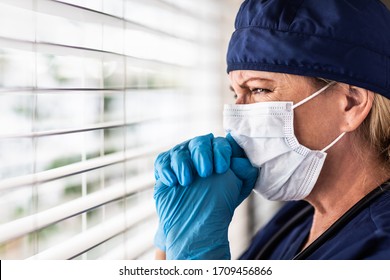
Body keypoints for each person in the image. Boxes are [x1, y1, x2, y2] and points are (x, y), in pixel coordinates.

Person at [153, 0, 390, 260]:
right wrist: (173, 238)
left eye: (259, 89)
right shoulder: (297, 216)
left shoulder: (380, 248)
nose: (238, 115)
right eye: (236, 93)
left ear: (351, 103)